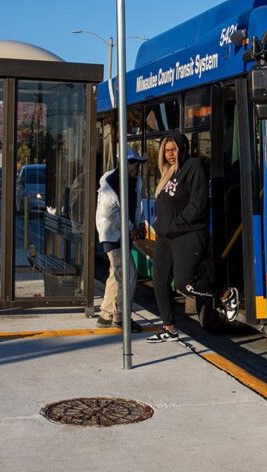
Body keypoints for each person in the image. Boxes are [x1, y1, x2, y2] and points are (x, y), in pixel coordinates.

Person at [146, 134, 238, 343]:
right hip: (165, 237)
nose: (170, 154)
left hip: (187, 234)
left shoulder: (193, 166)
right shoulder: (167, 172)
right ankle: (169, 328)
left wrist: (178, 222)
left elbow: (198, 203)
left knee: (184, 284)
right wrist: (162, 224)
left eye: (173, 150)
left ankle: (225, 294)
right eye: (166, 151)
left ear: (182, 148)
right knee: (159, 281)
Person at [95, 147, 146, 332]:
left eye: (138, 164)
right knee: (128, 274)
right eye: (134, 164)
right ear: (124, 163)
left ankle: (105, 315)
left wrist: (140, 223)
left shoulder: (136, 181)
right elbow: (111, 213)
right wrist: (132, 228)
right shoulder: (109, 182)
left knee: (115, 275)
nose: (137, 168)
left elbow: (137, 205)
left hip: (125, 233)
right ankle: (121, 317)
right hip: (112, 234)